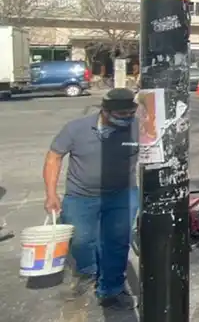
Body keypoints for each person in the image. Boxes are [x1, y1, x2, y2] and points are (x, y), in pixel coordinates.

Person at [43, 88, 139, 309]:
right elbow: (54, 157)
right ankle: (89, 272)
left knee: (116, 242)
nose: (126, 120)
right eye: (120, 115)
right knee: (81, 240)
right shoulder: (76, 129)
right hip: (80, 197)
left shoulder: (139, 127)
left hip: (122, 195)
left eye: (129, 114)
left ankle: (111, 288)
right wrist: (51, 193)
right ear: (105, 111)